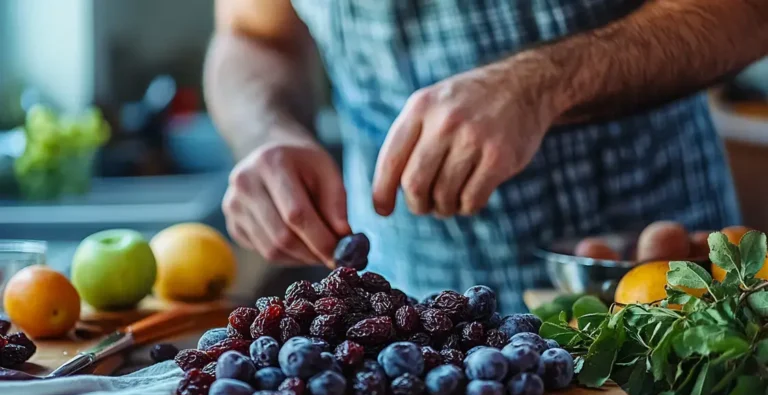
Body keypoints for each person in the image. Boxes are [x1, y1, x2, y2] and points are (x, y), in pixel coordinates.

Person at [204, 0, 767, 314]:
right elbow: (254, 34)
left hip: (673, 291)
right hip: (416, 314)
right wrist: (266, 132)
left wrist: (543, 83)